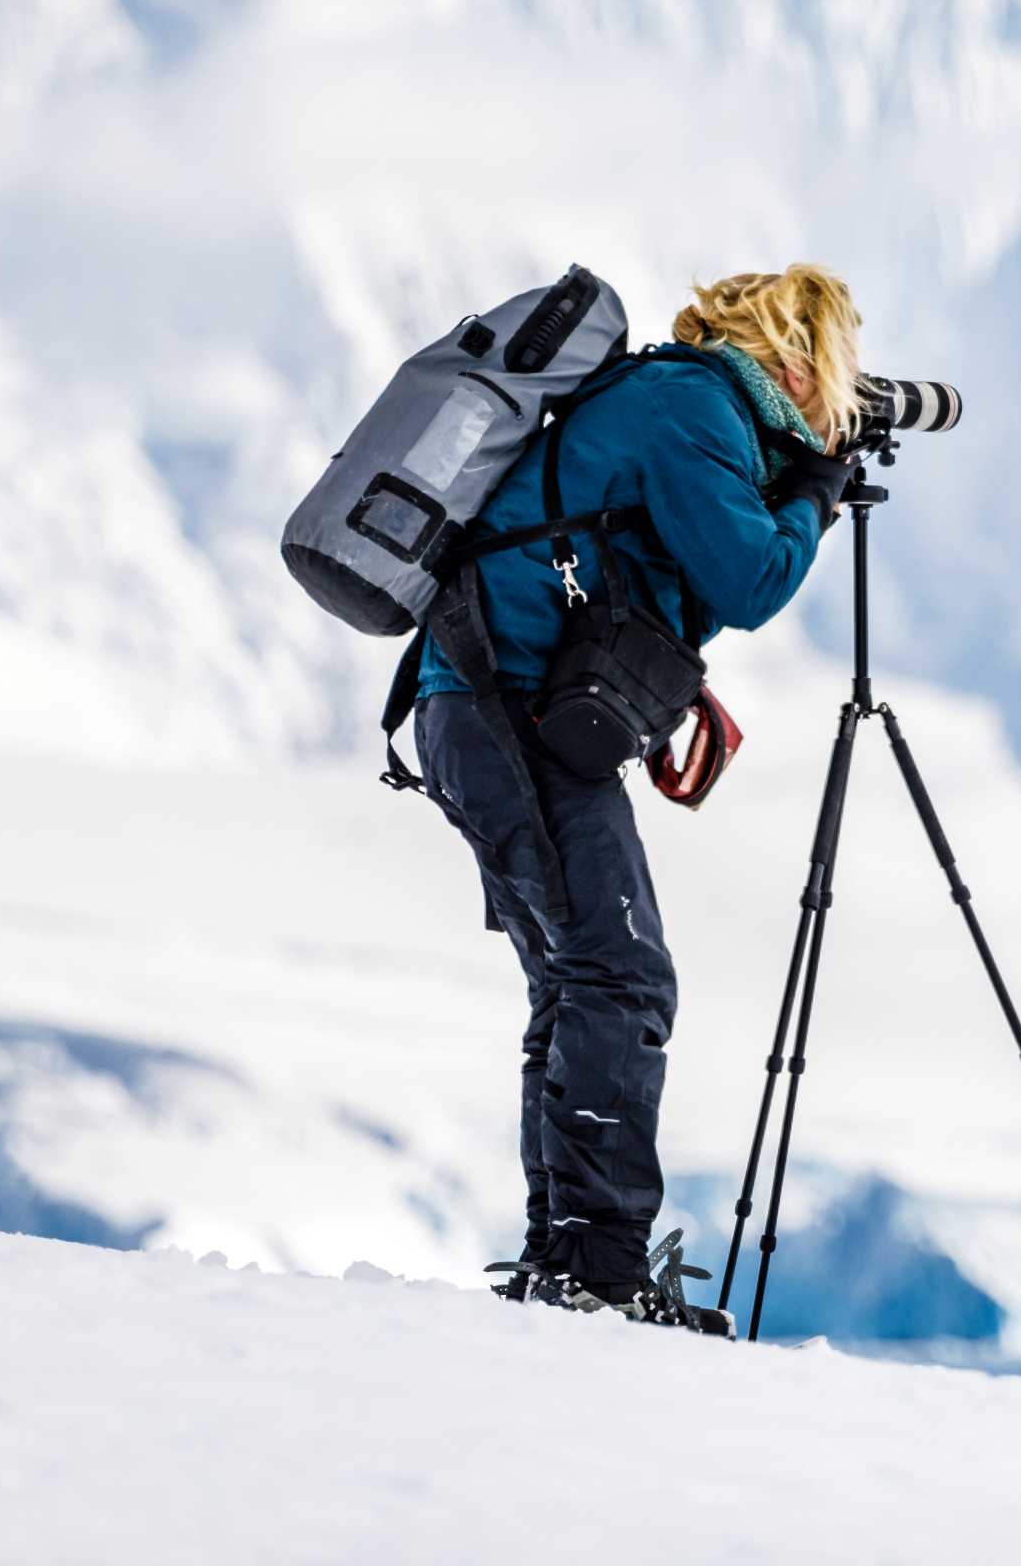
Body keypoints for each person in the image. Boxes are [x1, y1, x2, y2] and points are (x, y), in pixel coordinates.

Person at [412, 266, 863, 1320]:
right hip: (503, 711)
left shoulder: (681, 400)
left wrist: (798, 476)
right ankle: (596, 1275)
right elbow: (751, 580)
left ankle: (566, 1261)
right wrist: (815, 493)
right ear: (801, 367)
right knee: (620, 977)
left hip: (486, 711)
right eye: (841, 376)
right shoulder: (691, 406)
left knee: (581, 980)